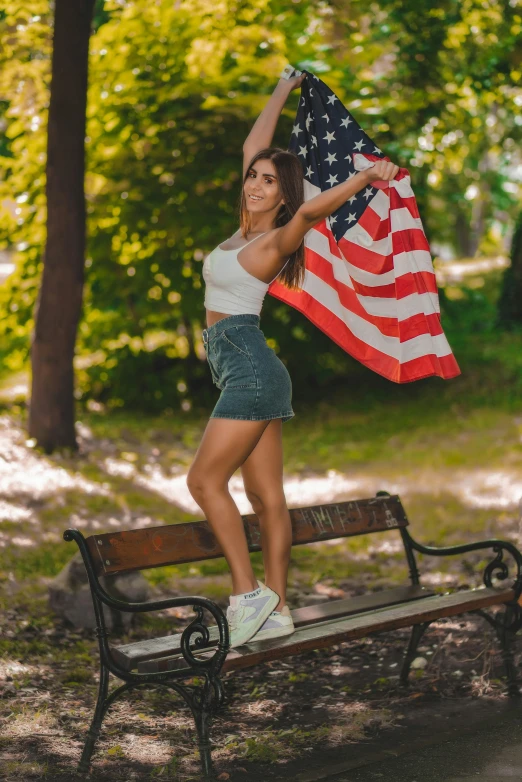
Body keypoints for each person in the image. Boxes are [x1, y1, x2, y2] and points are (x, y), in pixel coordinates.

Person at [186, 70, 399, 648]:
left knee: (203, 481)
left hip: (249, 369)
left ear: (285, 194)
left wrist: (362, 178)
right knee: (265, 497)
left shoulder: (276, 239)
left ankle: (246, 593)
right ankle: (277, 607)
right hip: (243, 367)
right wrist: (284, 85)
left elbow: (312, 211)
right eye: (253, 178)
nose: (256, 183)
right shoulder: (240, 231)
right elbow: (255, 145)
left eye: (268, 181)